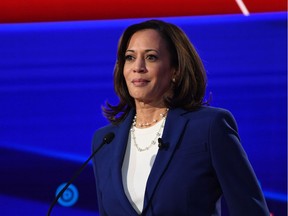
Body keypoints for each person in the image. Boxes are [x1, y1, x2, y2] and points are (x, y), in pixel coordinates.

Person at [91, 19, 270, 216]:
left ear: (175, 70)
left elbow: (250, 209)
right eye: (130, 57)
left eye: (151, 57)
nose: (138, 67)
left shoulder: (208, 127)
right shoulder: (105, 141)